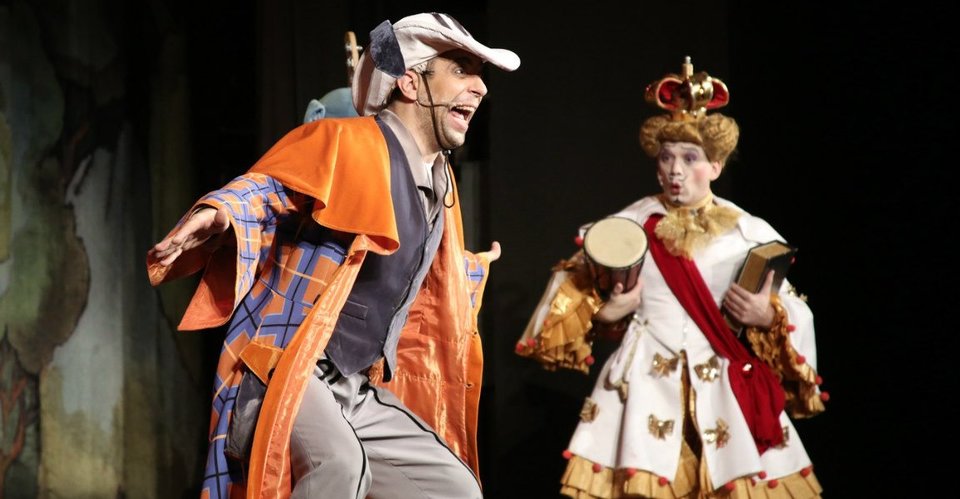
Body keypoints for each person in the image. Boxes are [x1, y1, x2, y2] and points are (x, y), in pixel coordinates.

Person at [146, 12, 519, 499]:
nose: (480, 87)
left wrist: (468, 269)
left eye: (478, 75)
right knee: (339, 465)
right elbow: (270, 190)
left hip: (354, 384)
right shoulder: (346, 141)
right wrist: (221, 212)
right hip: (288, 364)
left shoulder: (439, 181)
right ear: (410, 82)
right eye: (461, 70)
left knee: (452, 489)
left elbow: (409, 275)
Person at [516, 57, 827, 498]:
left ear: (715, 165)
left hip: (723, 384)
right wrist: (607, 312)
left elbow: (792, 305)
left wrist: (767, 315)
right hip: (644, 382)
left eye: (689, 158)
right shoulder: (628, 226)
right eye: (666, 157)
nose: (675, 170)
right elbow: (571, 290)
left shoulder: (749, 233)